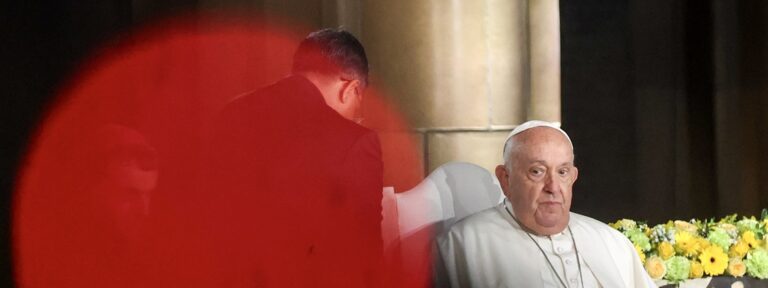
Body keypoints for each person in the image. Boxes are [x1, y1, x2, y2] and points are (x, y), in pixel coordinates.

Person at [203, 28, 383, 287]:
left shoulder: (229, 115)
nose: (356, 117)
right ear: (350, 88)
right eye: (359, 106)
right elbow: (364, 256)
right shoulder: (354, 140)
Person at [434, 120, 655, 288]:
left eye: (562, 172)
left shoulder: (611, 242)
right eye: (537, 172)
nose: (553, 186)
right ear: (506, 179)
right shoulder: (461, 245)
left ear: (573, 177)